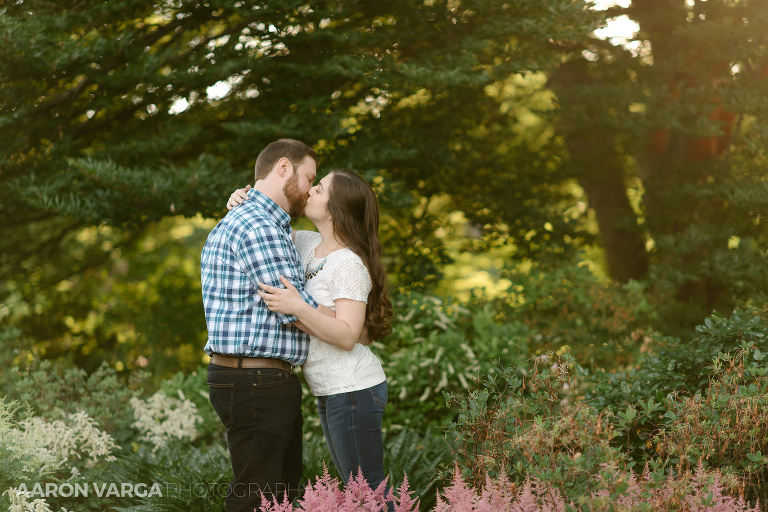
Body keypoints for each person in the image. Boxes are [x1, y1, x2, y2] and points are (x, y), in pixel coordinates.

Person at [227, 169, 394, 496]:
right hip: (332, 391)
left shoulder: (348, 264)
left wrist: (298, 307)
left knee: (367, 491)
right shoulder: (306, 244)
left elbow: (348, 336)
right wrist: (239, 201)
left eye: (318, 188)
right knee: (359, 489)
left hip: (354, 390)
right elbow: (258, 230)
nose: (310, 192)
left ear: (337, 208)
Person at [201, 138, 322, 511]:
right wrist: (351, 325)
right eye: (309, 178)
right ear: (283, 167)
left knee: (278, 498)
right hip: (256, 381)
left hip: (257, 379)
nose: (309, 189)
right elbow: (294, 309)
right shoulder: (259, 226)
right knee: (258, 498)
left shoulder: (266, 222)